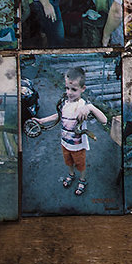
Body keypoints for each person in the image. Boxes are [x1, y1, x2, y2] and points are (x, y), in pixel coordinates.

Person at [35, 66, 107, 197]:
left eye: (74, 89)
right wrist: (42, 120)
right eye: (67, 88)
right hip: (65, 143)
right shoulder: (64, 103)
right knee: (68, 162)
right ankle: (71, 174)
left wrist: (90, 107)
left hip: (78, 146)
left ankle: (82, 180)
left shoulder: (83, 106)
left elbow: (104, 121)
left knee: (81, 165)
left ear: (82, 89)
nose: (69, 92)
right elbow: (59, 115)